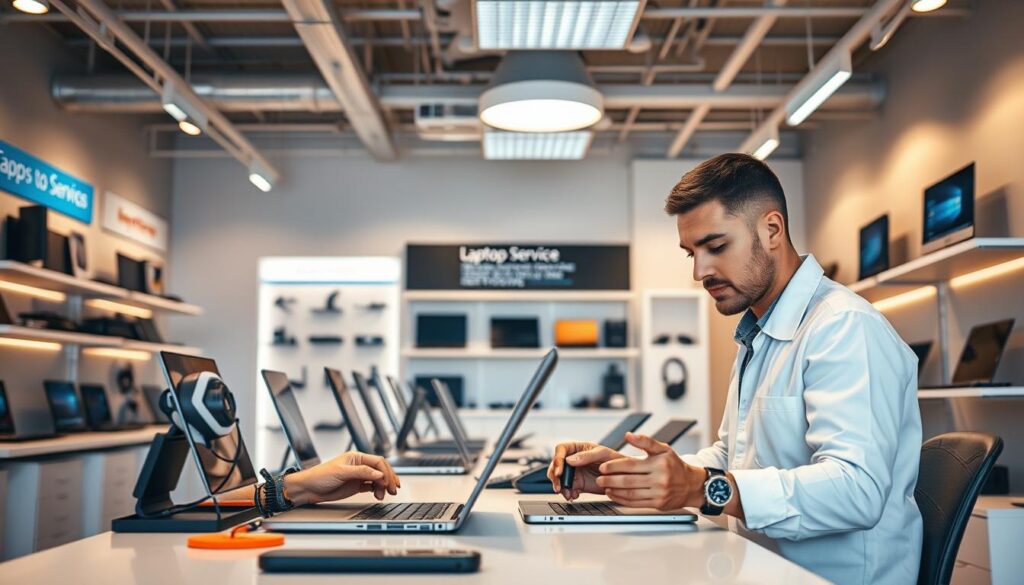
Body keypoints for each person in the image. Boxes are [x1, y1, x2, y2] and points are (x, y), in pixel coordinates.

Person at [547, 153, 923, 585]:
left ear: (772, 230)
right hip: (761, 570)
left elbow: (857, 490)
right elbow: (732, 457)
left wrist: (698, 487)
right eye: (692, 253)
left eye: (716, 247)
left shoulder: (844, 326)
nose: (699, 271)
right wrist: (626, 476)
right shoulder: (757, 334)